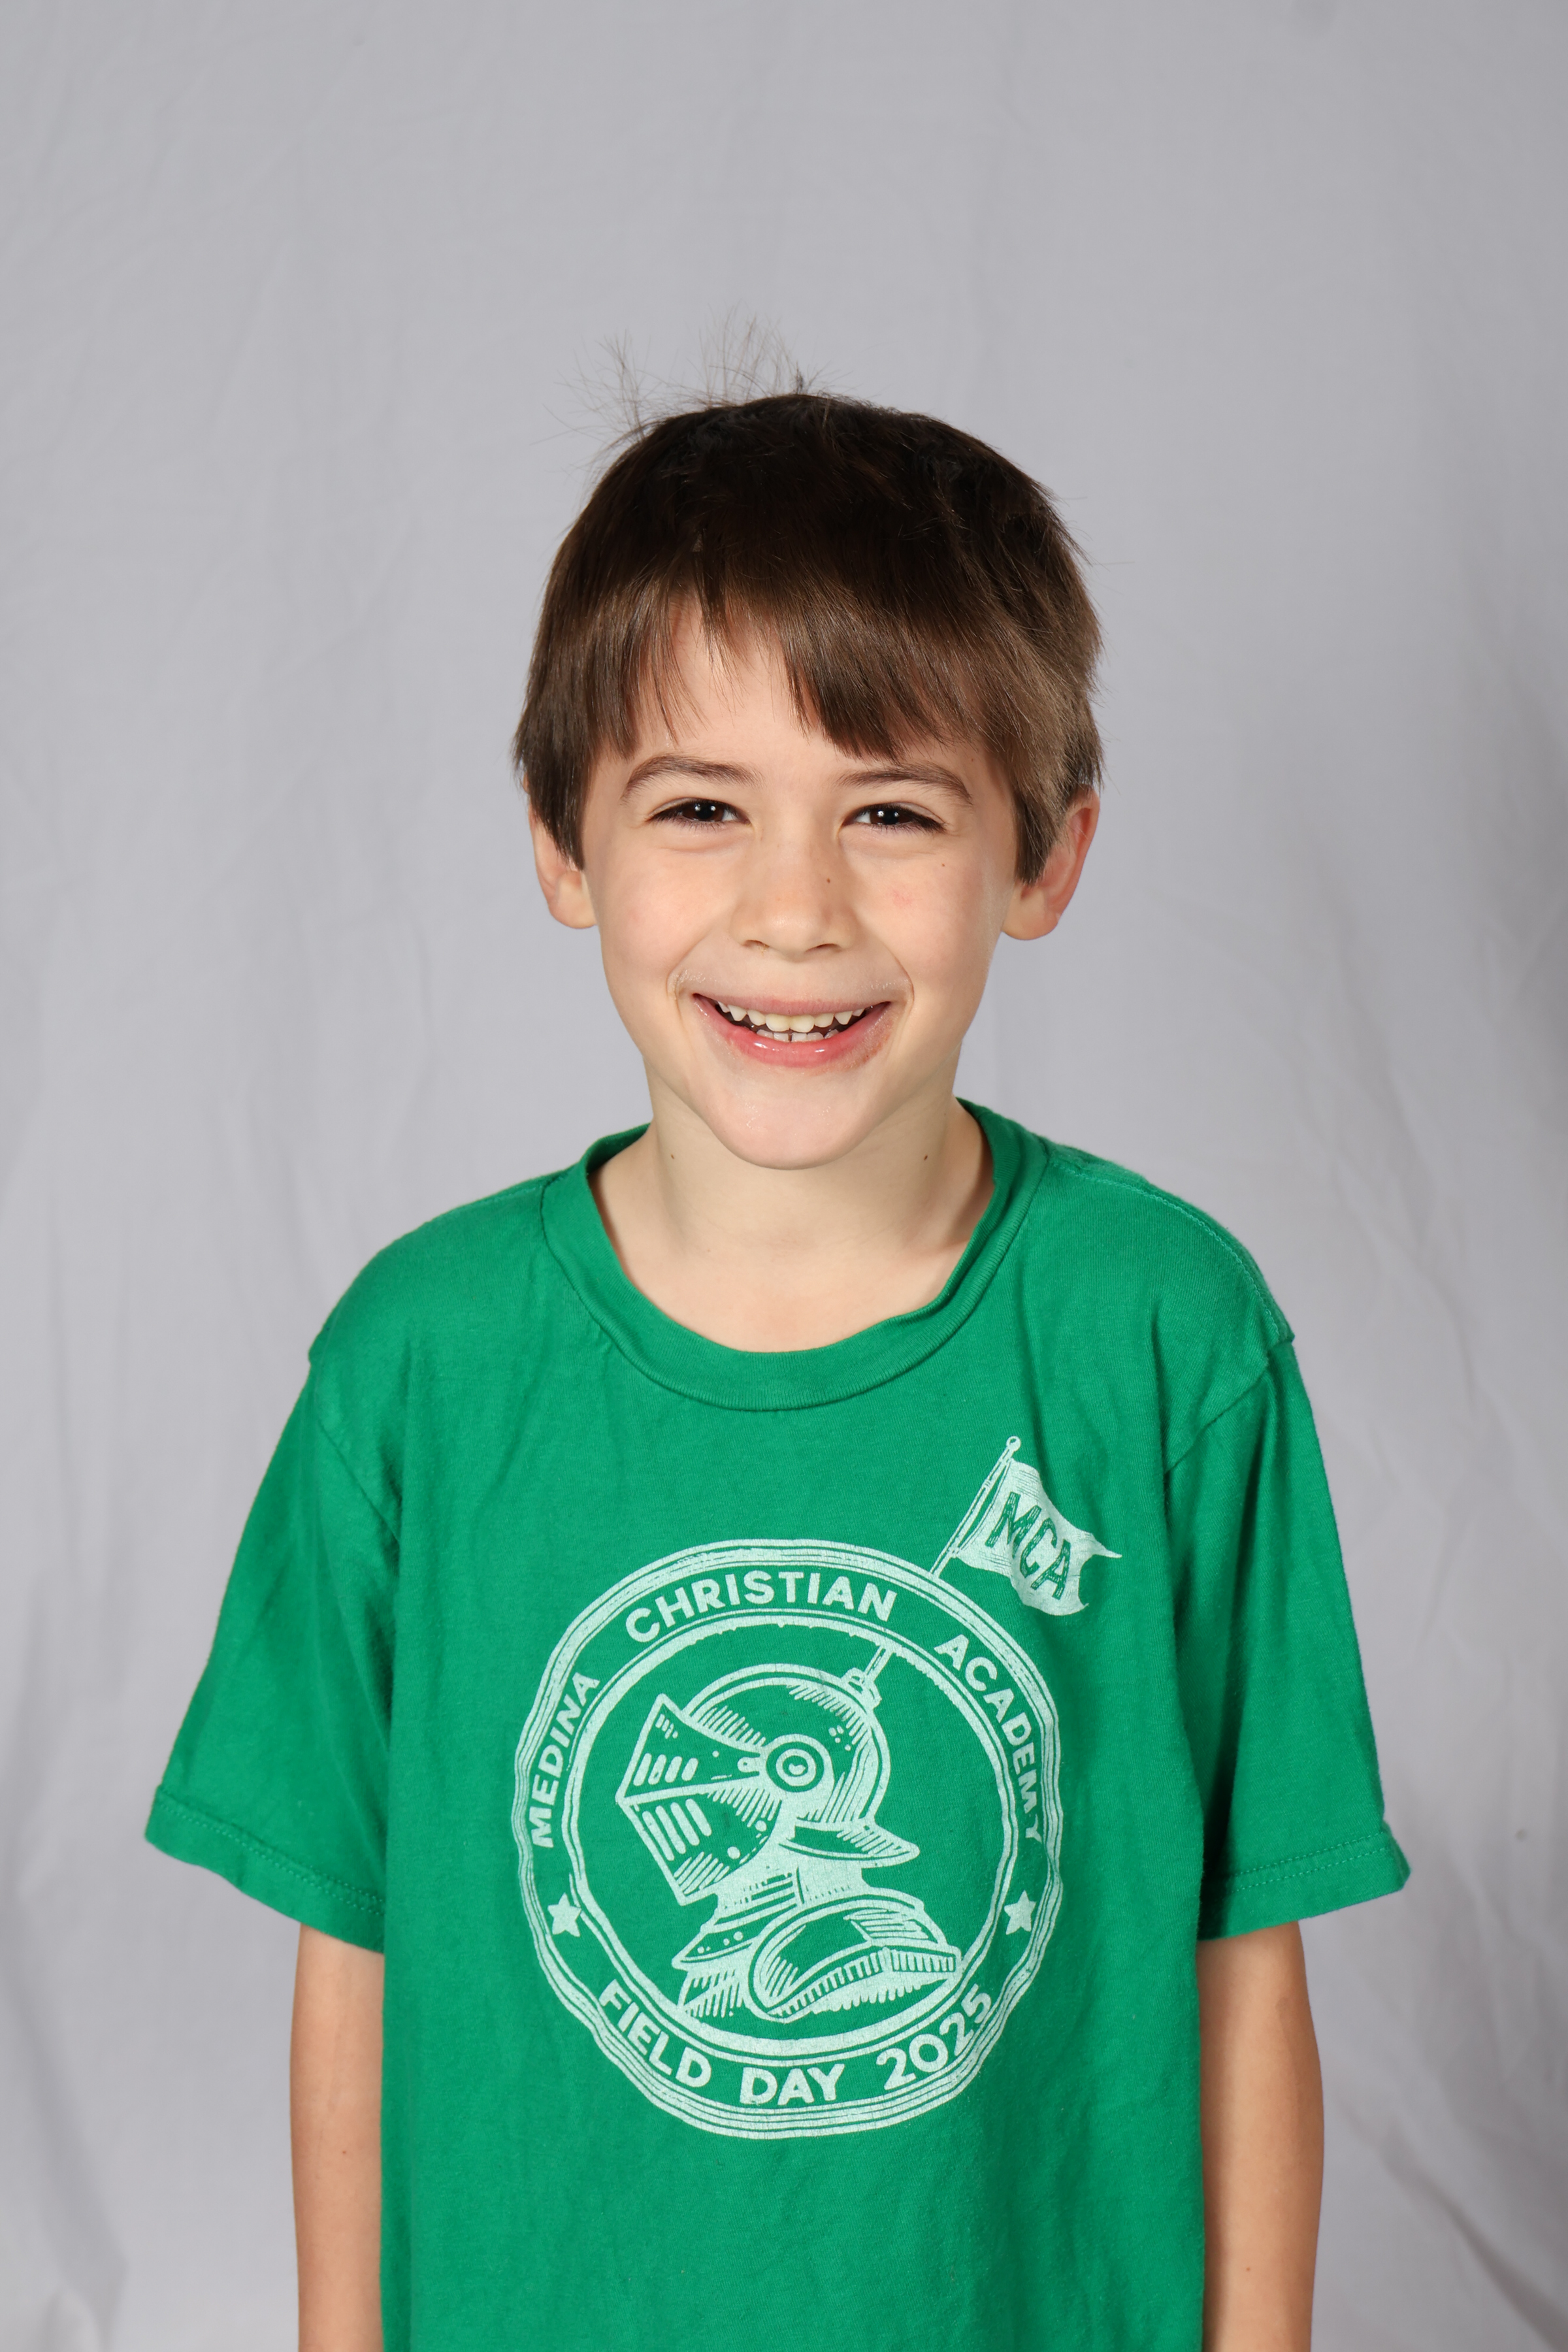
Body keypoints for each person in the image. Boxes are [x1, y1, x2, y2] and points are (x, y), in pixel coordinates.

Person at [147, 388, 1409, 2352]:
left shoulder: (1169, 1339)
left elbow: (1245, 1961)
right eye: (700, 807)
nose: (794, 909)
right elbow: (356, 1963)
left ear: (1044, 855)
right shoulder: (420, 1366)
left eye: (891, 811)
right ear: (564, 841)